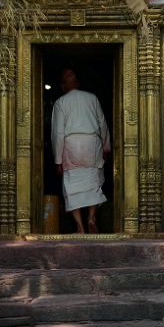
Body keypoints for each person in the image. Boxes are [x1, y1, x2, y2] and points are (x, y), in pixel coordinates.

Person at [50, 67, 110, 234]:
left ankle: (80, 226)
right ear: (77, 83)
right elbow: (102, 124)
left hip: (71, 146)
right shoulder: (92, 98)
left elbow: (58, 133)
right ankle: (91, 218)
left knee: (72, 185)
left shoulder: (61, 102)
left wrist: (58, 160)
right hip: (92, 144)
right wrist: (106, 147)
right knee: (93, 183)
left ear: (63, 86)